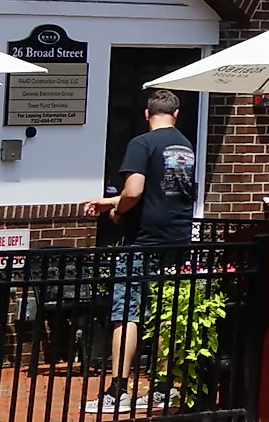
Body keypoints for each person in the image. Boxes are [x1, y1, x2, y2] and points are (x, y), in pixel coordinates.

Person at [81, 89, 198, 415]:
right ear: (176, 115)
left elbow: (134, 191)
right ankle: (162, 388)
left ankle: (118, 390)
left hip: (143, 241)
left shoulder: (141, 143)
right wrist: (112, 203)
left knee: (126, 313)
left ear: (147, 114)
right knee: (166, 313)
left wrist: (118, 211)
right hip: (177, 238)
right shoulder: (185, 146)